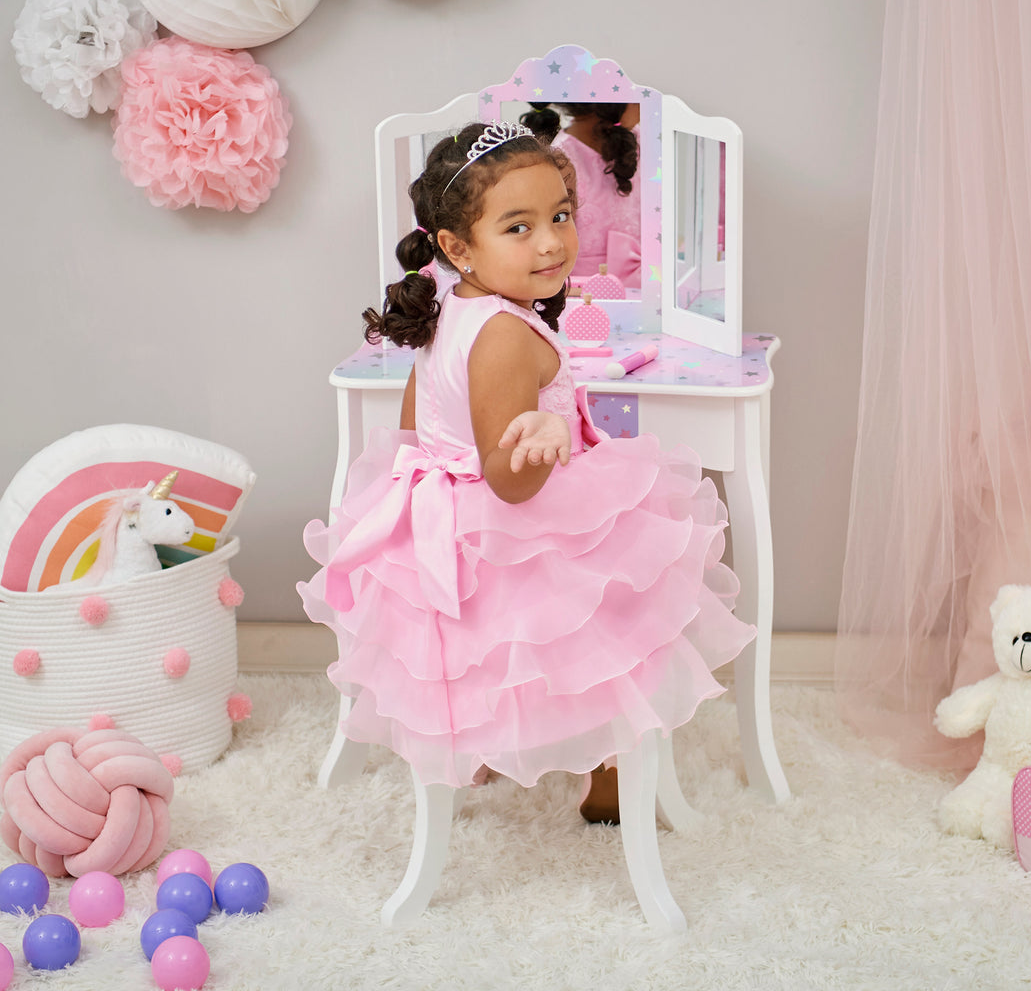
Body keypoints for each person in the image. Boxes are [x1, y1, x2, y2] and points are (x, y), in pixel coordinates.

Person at [298, 120, 753, 823]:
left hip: (448, 527)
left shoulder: (454, 308)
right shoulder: (508, 334)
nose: (551, 242)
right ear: (457, 246)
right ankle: (606, 773)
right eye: (519, 227)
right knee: (612, 626)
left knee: (539, 645)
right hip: (506, 517)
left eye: (561, 216)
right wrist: (543, 435)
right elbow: (510, 481)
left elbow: (416, 427)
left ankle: (515, 753)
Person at [522, 102, 642, 286]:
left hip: (648, 287)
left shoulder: (642, 140)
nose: (640, 103)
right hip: (583, 293)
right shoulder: (561, 161)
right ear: (608, 104)